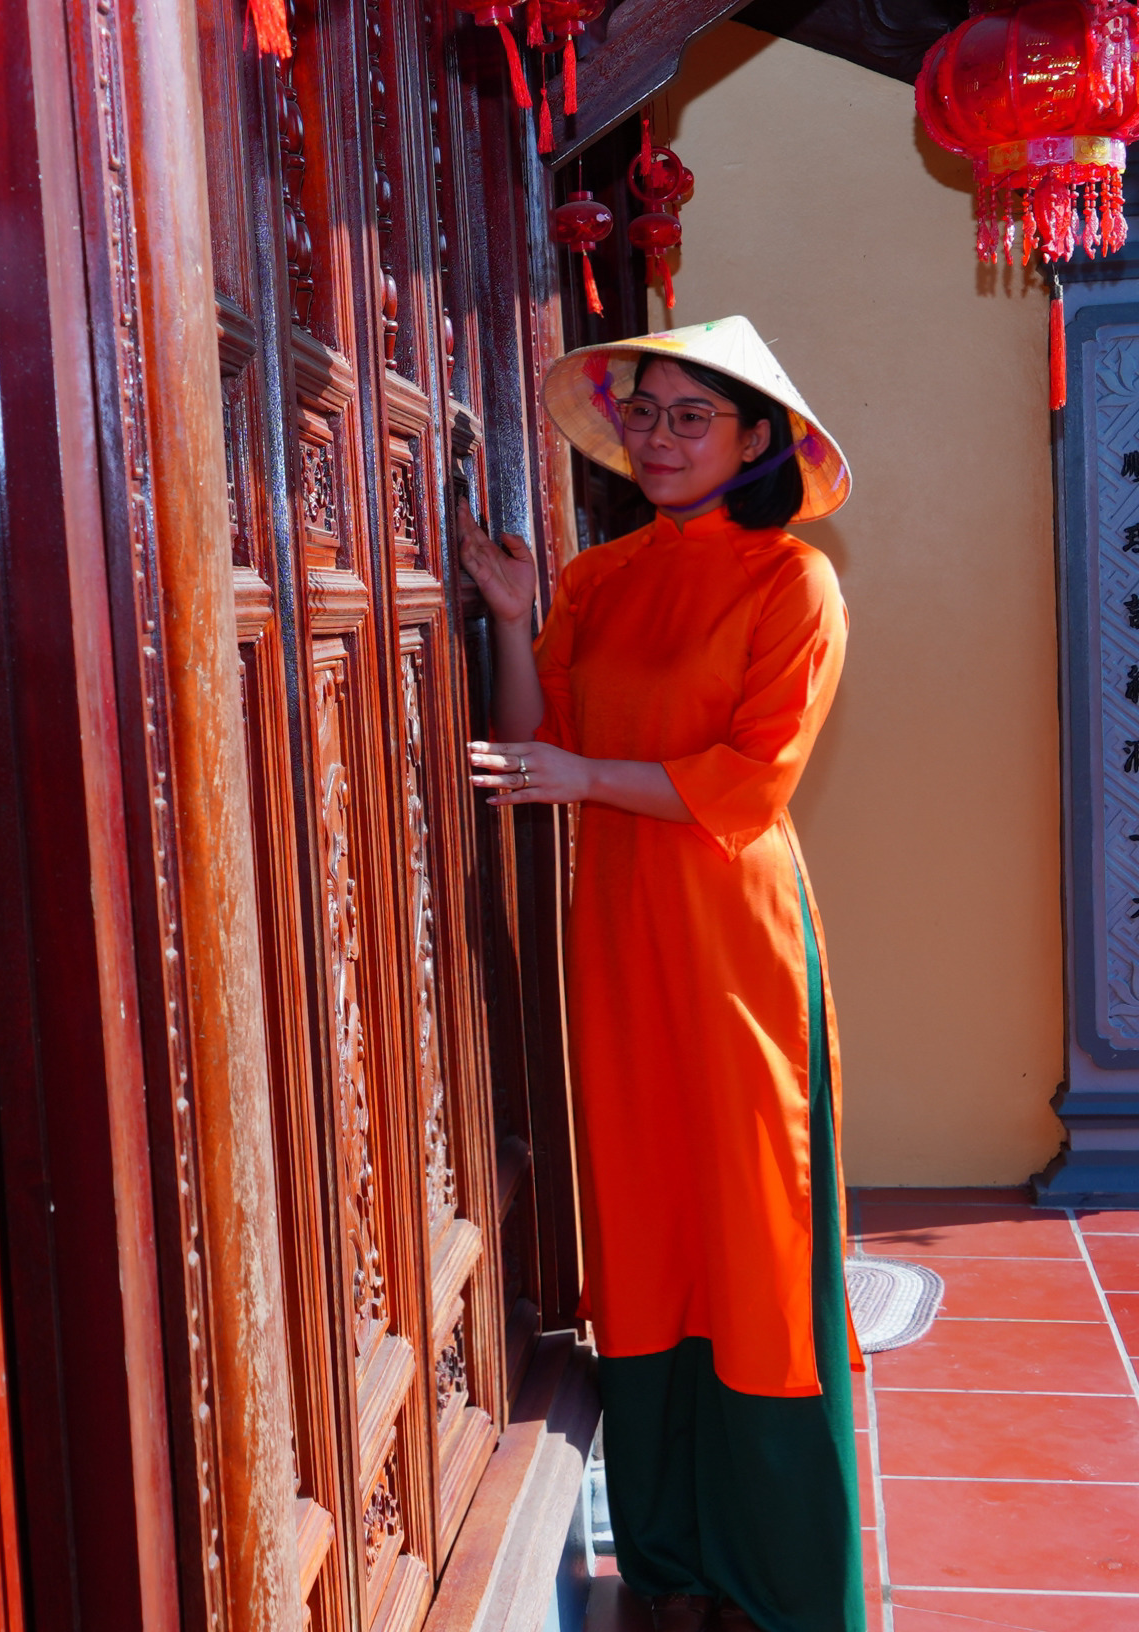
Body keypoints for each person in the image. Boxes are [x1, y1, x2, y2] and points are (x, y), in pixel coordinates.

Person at [462, 318, 861, 1632]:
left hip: (734, 935)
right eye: (645, 411)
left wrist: (582, 776)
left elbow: (752, 780)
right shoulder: (601, 576)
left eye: (695, 416)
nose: (661, 436)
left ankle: (787, 1575)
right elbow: (531, 744)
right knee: (641, 1214)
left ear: (757, 442)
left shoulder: (793, 582)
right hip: (621, 925)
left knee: (751, 1226)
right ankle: (673, 1555)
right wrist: (512, 619)